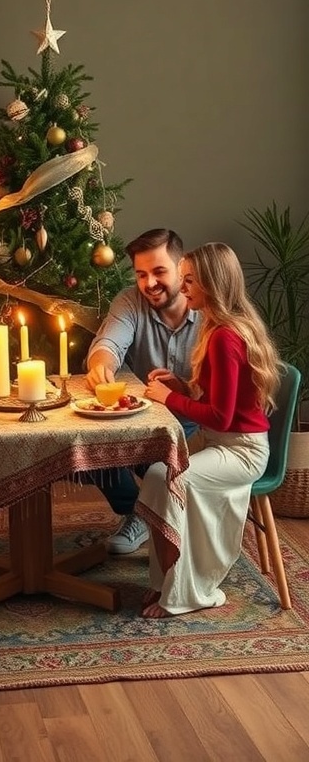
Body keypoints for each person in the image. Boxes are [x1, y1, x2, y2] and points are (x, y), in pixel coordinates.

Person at [138, 242, 280, 618]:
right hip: (220, 439)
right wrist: (182, 386)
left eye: (190, 281)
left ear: (213, 285)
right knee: (155, 476)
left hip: (241, 450)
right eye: (183, 279)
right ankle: (165, 580)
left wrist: (167, 398)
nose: (182, 289)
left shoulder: (225, 337)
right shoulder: (213, 327)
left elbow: (220, 416)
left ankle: (184, 594)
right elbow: (218, 401)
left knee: (172, 482)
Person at [85, 228, 200, 554]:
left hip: (194, 420)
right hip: (141, 416)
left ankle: (160, 513)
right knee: (91, 447)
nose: (149, 283)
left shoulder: (209, 308)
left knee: (157, 461)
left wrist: (188, 392)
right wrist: (101, 364)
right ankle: (138, 513)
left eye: (159, 271)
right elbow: (108, 343)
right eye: (141, 274)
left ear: (182, 268)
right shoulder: (129, 301)